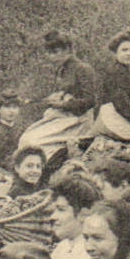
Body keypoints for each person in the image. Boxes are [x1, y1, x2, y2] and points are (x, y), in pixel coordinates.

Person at [17, 29, 99, 161]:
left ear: (67, 50)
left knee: (34, 142)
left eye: (55, 52)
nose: (51, 56)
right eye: (49, 53)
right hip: (61, 117)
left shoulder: (83, 69)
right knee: (25, 139)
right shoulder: (63, 70)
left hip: (78, 121)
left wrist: (64, 104)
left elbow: (91, 101)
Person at [47, 174, 103, 259]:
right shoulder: (62, 247)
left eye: (61, 210)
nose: (53, 217)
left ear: (83, 214)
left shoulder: (93, 255)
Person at [95, 28, 130, 142]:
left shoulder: (127, 73)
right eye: (124, 50)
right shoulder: (115, 73)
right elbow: (122, 105)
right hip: (116, 121)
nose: (129, 54)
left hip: (125, 118)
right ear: (115, 52)